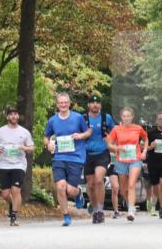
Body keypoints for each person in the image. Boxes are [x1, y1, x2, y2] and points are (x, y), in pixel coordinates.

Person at [43, 92, 91, 227]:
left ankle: (78, 193)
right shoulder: (53, 120)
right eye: (60, 103)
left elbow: (88, 132)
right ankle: (66, 216)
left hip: (76, 158)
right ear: (57, 105)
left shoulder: (78, 118)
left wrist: (80, 135)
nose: (63, 105)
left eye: (65, 102)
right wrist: (48, 144)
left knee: (70, 190)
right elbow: (46, 136)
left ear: (69, 104)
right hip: (59, 157)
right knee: (60, 187)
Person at [0, 106, 34, 226]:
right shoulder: (0, 131)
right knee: (5, 194)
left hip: (18, 164)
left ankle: (14, 216)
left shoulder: (24, 132)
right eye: (11, 114)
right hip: (3, 164)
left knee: (15, 191)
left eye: (16, 114)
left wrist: (25, 148)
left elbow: (31, 147)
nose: (14, 116)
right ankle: (11, 203)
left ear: (18, 116)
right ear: (7, 117)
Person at [106, 107, 148, 222]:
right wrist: (118, 147)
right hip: (121, 161)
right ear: (121, 117)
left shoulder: (138, 128)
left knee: (131, 185)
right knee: (123, 189)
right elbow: (109, 144)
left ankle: (130, 210)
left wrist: (144, 151)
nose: (126, 118)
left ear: (132, 117)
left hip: (135, 159)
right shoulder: (116, 129)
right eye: (124, 116)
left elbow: (145, 137)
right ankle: (131, 204)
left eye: (128, 116)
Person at [82, 94, 115, 224]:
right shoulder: (83, 118)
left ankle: (100, 211)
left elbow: (115, 132)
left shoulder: (106, 118)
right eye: (92, 103)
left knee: (99, 180)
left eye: (97, 103)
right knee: (90, 184)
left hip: (102, 152)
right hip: (87, 154)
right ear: (88, 105)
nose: (95, 105)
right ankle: (95, 209)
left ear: (100, 105)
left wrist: (110, 140)